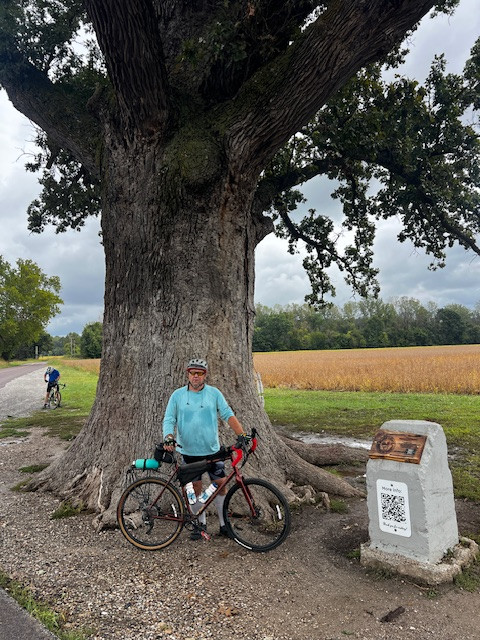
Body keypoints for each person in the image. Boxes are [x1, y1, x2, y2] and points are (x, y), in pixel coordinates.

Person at [163, 357, 248, 540]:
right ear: (188, 374)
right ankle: (199, 524)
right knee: (195, 489)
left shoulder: (214, 393)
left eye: (200, 373)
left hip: (212, 451)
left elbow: (227, 414)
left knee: (220, 485)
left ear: (205, 375)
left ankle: (224, 525)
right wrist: (169, 437)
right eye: (193, 373)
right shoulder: (177, 396)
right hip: (188, 451)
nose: (196, 377)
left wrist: (242, 434)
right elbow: (169, 419)